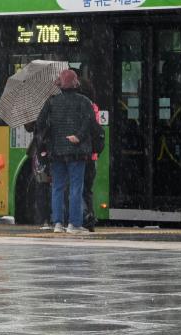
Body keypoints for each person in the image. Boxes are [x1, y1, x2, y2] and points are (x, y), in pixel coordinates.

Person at [35, 69, 96, 235]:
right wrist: (78, 136)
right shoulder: (84, 102)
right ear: (76, 84)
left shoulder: (52, 102)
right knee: (76, 187)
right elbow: (91, 123)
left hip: (56, 151)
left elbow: (40, 124)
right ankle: (74, 224)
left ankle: (57, 223)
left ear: (60, 85)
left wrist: (48, 140)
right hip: (77, 151)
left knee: (57, 187)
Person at [79, 79, 100, 232]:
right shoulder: (94, 108)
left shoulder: (78, 107)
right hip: (92, 156)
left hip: (79, 155)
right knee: (87, 190)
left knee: (75, 188)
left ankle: (85, 215)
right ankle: (90, 216)